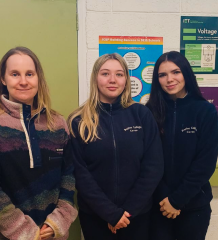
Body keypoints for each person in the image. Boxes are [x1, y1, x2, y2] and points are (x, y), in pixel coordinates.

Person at [0, 46, 77, 240]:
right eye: (15, 74)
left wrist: (59, 221)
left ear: (38, 79)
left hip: (52, 234)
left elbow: (70, 177)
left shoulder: (57, 123)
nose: (23, 81)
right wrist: (26, 232)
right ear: (3, 79)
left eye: (30, 74)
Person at [67, 53, 164, 240]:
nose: (112, 80)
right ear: (95, 77)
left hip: (136, 216)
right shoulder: (78, 120)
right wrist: (110, 213)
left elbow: (154, 166)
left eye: (119, 74)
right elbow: (79, 173)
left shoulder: (141, 115)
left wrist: (127, 212)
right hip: (96, 217)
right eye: (105, 74)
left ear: (126, 79)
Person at [146, 51, 218, 240]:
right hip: (158, 205)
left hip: (194, 206)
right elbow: (147, 160)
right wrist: (165, 199)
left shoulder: (205, 111)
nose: (169, 79)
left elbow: (205, 163)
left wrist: (177, 200)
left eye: (175, 72)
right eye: (162, 75)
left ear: (186, 73)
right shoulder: (149, 111)